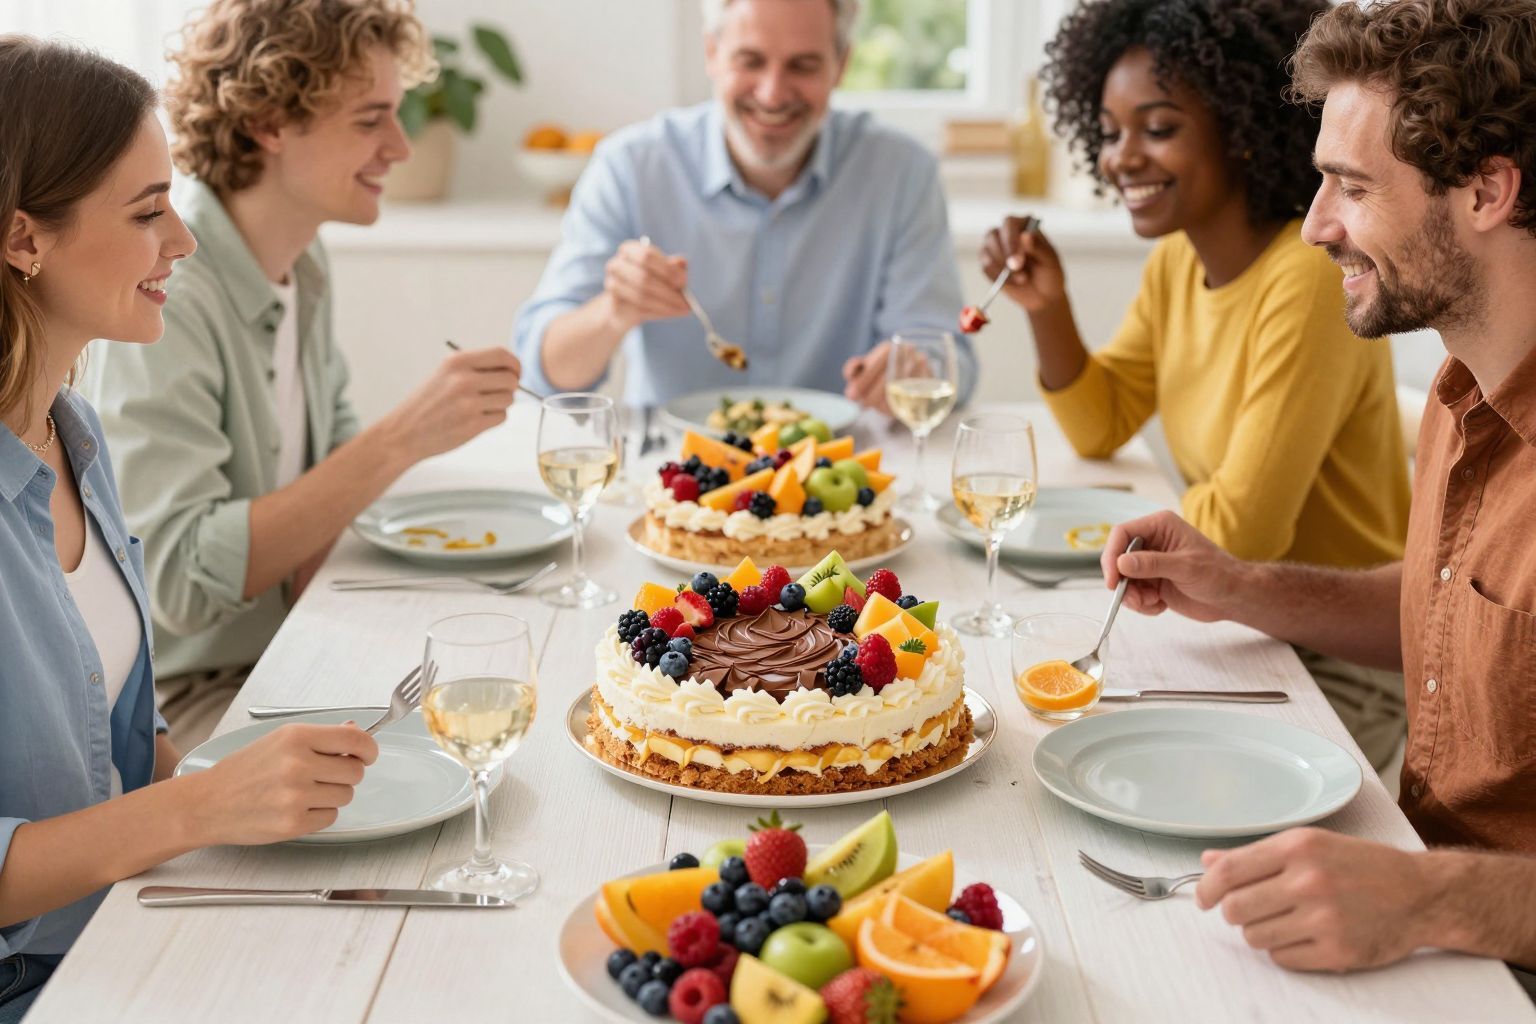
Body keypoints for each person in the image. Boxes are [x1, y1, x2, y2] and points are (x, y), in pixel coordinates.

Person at [1100, 0, 1536, 982]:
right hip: (1437, 924)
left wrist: (1423, 894)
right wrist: (1241, 583)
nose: (1313, 228)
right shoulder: (1462, 388)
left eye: (1350, 187)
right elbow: (1450, 611)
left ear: (1486, 191)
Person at [0, 38, 378, 1022]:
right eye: (145, 212)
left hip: (129, 928)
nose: (184, 239)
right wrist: (203, 805)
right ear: (21, 239)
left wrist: (262, 780)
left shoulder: (73, 437)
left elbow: (124, 738)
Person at [978, 0, 1412, 769]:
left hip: (1334, 665)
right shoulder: (1180, 261)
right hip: (1236, 630)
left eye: (1158, 128)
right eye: (1110, 133)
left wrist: (1137, 539)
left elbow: (1240, 534)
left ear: (1241, 126)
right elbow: (1101, 423)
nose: (1122, 157)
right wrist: (1049, 309)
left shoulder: (1307, 281)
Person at [83, 0, 523, 750]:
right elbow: (180, 581)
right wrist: (402, 438)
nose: (400, 146)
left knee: (512, 687)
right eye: (369, 120)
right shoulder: (172, 291)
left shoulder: (302, 263)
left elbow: (332, 470)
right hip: (198, 698)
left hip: (296, 642)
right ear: (270, 121)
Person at [512, 0, 970, 413]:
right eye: (750, 61)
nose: (772, 93)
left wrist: (912, 371)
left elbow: (953, 366)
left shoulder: (903, 173)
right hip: (675, 481)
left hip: (845, 478)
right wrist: (614, 310)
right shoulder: (631, 166)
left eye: (803, 65)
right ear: (712, 53)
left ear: (841, 64)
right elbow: (545, 373)